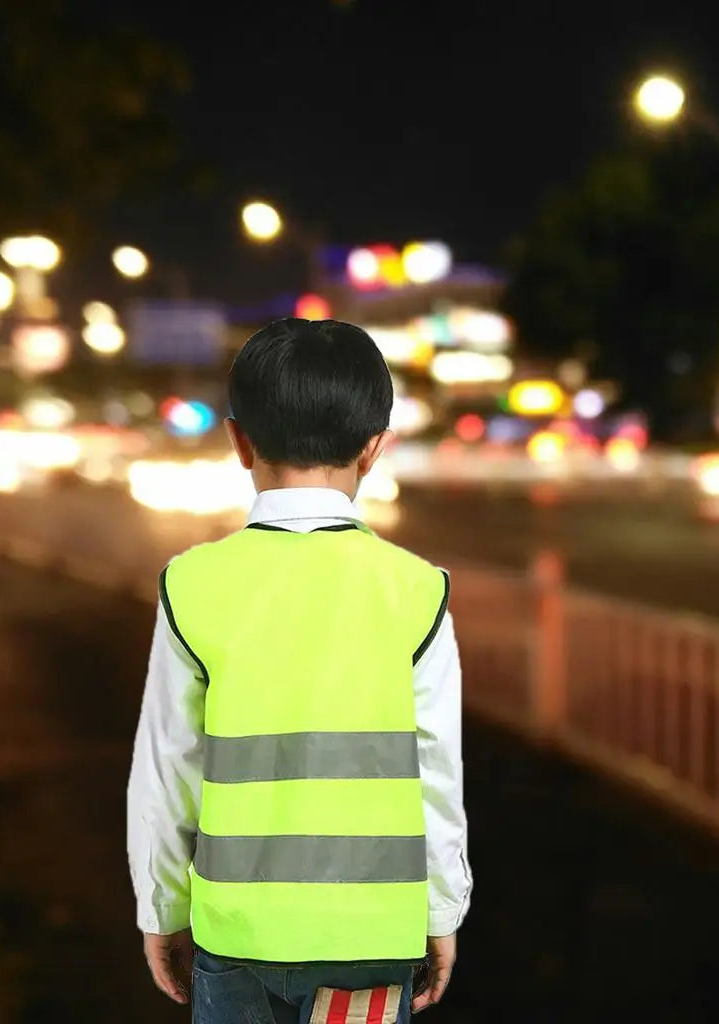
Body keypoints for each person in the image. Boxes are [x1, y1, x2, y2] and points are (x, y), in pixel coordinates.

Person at [128, 318, 471, 1024]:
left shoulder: (192, 585)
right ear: (373, 449)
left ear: (239, 441)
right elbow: (437, 772)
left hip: (236, 935)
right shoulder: (417, 591)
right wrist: (441, 911)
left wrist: (160, 907)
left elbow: (167, 768)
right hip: (371, 936)